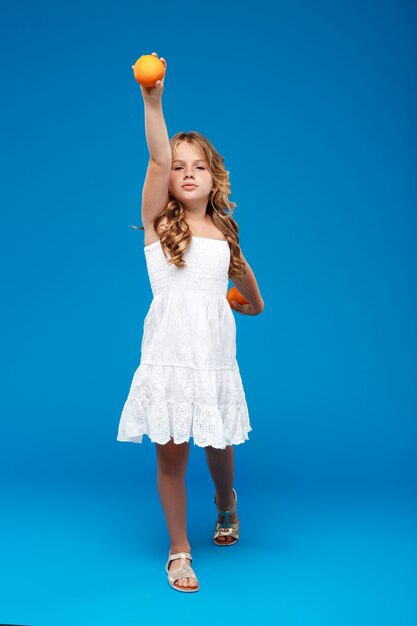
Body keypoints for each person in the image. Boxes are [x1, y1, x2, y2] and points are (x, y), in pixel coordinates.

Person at [117, 52, 264, 593]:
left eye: (197, 165)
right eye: (179, 166)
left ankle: (227, 499)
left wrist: (241, 299)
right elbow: (156, 161)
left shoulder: (226, 237)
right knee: (172, 454)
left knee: (218, 446)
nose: (185, 172)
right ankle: (180, 550)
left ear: (214, 175)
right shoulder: (160, 227)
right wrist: (152, 100)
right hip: (170, 359)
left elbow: (253, 298)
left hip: (213, 361)